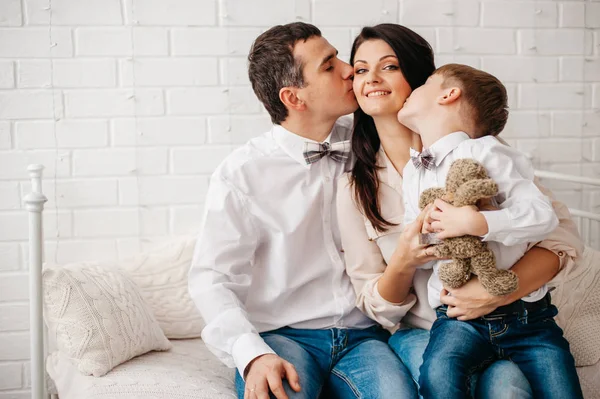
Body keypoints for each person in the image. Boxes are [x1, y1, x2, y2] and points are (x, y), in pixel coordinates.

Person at [337, 23, 583, 398]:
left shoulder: (476, 148)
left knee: (508, 390)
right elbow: (375, 306)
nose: (371, 78)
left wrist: (497, 292)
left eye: (389, 66)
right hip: (424, 330)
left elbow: (559, 235)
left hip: (508, 314)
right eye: (360, 69)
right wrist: (403, 260)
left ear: (422, 82)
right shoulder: (356, 186)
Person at [189, 22, 421, 399]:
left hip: (365, 336)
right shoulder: (242, 174)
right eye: (329, 66)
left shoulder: (372, 141)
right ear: (294, 98)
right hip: (282, 336)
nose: (350, 70)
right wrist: (252, 356)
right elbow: (211, 279)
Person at [397, 63, 583, 398]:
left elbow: (543, 215)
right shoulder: (414, 174)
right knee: (437, 375)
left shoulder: (487, 151)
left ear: (449, 94)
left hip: (527, 319)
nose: (414, 89)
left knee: (560, 387)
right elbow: (425, 258)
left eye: (424, 82)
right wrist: (423, 239)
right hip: (456, 319)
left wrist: (478, 223)